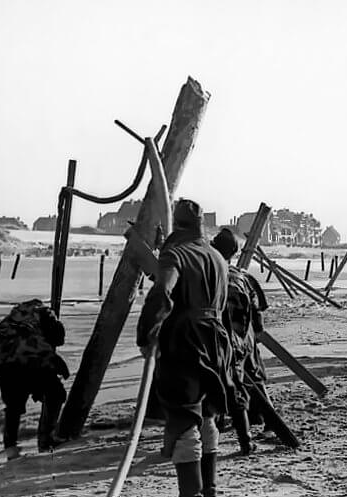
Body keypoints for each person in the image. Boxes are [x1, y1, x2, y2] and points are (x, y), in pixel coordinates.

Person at [136, 199, 231, 497]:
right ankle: (210, 490)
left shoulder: (175, 254)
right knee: (205, 414)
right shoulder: (217, 257)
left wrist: (146, 335)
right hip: (216, 340)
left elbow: (162, 293)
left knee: (183, 418)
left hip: (185, 342)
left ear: (176, 224)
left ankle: (191, 494)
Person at [210, 228, 270, 456]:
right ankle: (261, 421)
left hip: (220, 340)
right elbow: (259, 315)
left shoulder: (211, 276)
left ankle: (224, 430)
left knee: (220, 385)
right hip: (244, 340)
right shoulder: (244, 277)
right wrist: (253, 337)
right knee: (253, 377)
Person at [0, 299, 69, 460]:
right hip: (30, 361)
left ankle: (10, 447)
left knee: (13, 407)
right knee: (56, 394)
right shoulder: (47, 314)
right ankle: (45, 440)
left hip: (2, 363)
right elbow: (59, 339)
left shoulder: (16, 316)